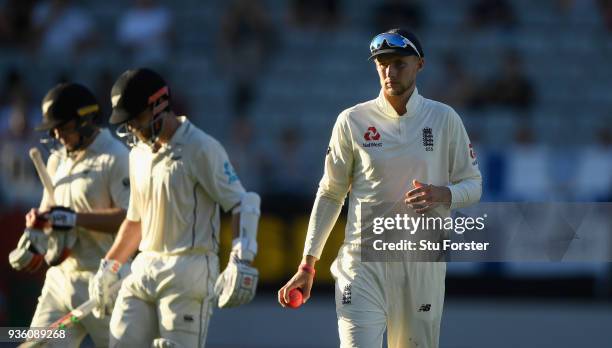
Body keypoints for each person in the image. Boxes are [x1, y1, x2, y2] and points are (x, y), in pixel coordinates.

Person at [278, 28, 482, 348]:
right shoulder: (352, 120)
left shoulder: (444, 119)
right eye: (382, 63)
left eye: (399, 63)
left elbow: (474, 185)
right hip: (362, 265)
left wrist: (445, 194)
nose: (389, 71)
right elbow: (331, 192)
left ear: (420, 64)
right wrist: (308, 263)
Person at [89, 68, 260, 347]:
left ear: (159, 105)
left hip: (189, 271)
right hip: (144, 267)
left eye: (137, 118)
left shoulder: (201, 147)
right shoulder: (138, 153)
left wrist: (241, 258)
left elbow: (242, 202)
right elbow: (135, 220)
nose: (131, 127)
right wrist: (109, 266)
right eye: (127, 121)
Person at [9, 82, 130, 347]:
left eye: (63, 126)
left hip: (105, 280)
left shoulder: (116, 157)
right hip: (60, 279)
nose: (57, 134)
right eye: (53, 129)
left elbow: (130, 218)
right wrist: (35, 236)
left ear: (85, 120)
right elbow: (50, 213)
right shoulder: (56, 160)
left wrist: (75, 218)